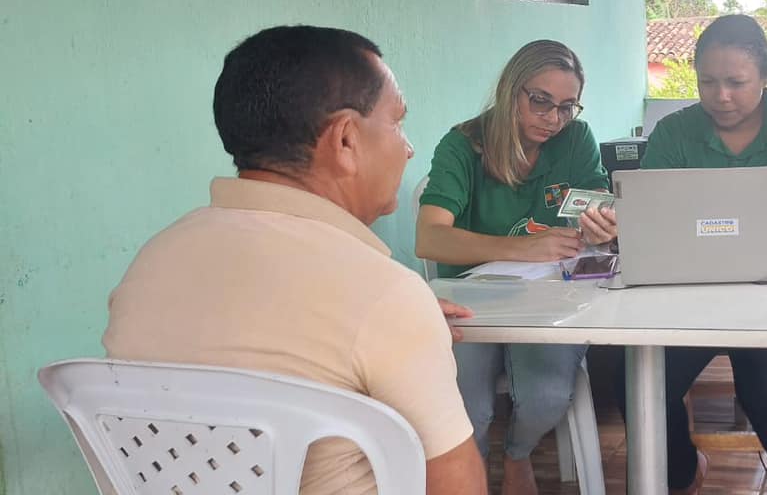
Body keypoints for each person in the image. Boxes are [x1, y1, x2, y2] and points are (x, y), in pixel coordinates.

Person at [103, 25, 488, 495]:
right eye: (397, 122)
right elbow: (455, 485)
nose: (407, 149)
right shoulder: (382, 293)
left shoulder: (152, 262)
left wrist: (404, 338)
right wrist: (401, 323)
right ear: (345, 140)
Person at [625, 14, 767, 495]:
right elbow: (651, 216)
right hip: (690, 292)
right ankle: (683, 471)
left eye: (736, 82)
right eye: (707, 81)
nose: (720, 96)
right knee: (643, 386)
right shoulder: (673, 133)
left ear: (766, 77)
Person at [415, 39, 615, 495]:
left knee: (546, 397)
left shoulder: (575, 140)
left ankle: (518, 452)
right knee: (469, 409)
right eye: (540, 101)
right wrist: (522, 248)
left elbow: (600, 207)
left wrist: (604, 226)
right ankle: (473, 473)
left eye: (567, 107)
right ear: (511, 90)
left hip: (549, 293)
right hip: (471, 299)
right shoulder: (465, 144)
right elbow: (430, 237)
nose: (553, 119)